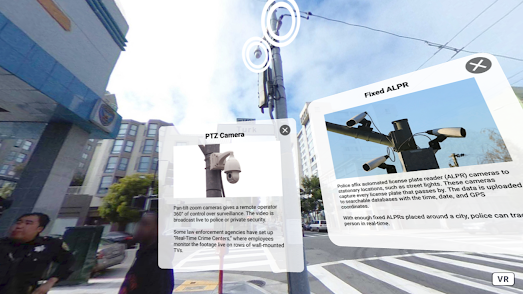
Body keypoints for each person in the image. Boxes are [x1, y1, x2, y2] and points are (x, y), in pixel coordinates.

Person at [0, 213, 75, 294]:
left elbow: (68, 261)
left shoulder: (49, 245)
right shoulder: (3, 244)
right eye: (18, 222)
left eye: (28, 223)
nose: (19, 226)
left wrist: (50, 283)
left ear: (39, 228)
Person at [119, 211, 174, 294]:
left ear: (157, 229)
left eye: (145, 224)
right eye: (140, 223)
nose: (139, 227)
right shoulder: (143, 255)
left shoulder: (159, 262)